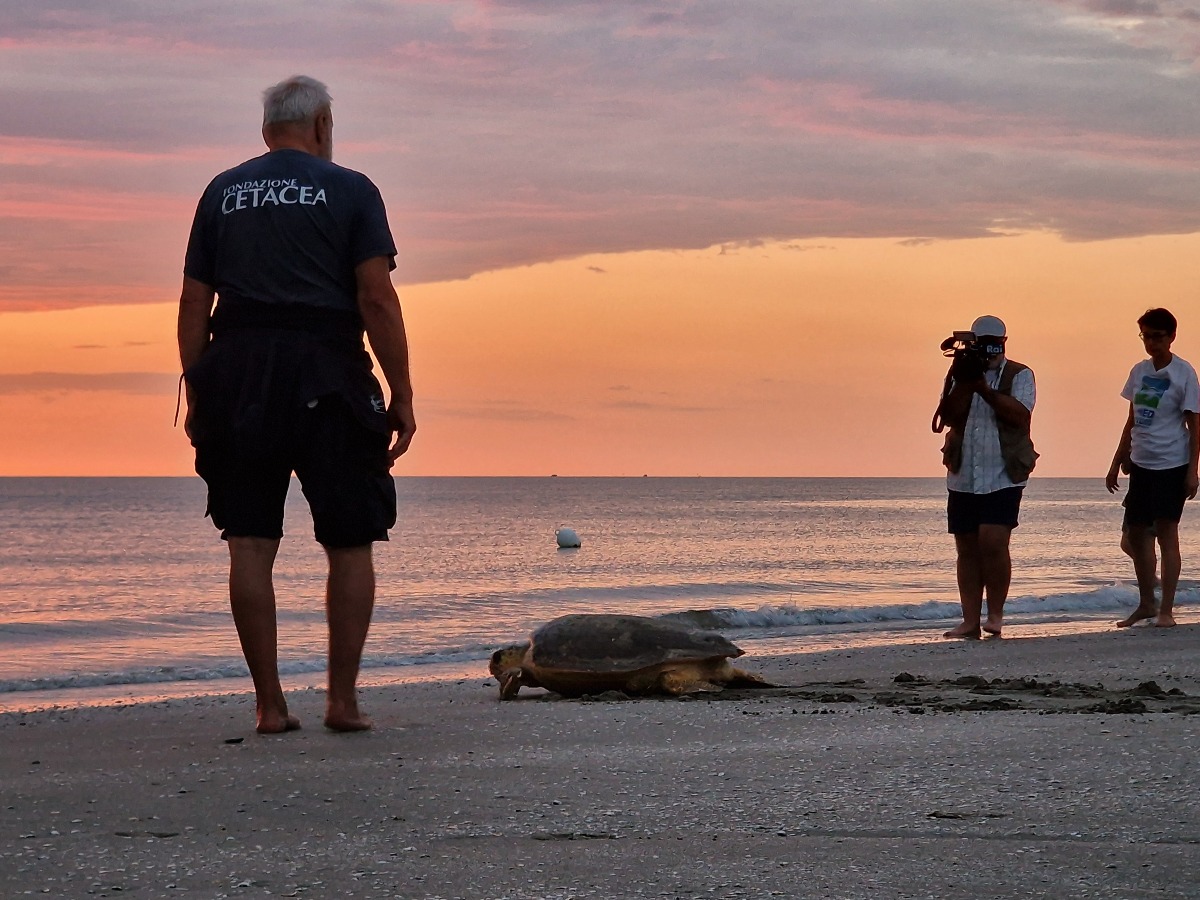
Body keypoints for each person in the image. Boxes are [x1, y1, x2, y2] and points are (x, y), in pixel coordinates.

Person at [178, 76, 415, 734]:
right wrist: (402, 392)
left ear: (266, 131)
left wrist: (199, 388)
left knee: (249, 543)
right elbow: (375, 298)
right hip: (328, 372)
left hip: (239, 373)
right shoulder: (353, 190)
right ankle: (341, 701)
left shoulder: (222, 192)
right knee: (350, 541)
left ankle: (270, 705)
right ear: (322, 125)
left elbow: (195, 302)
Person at [933, 315, 1037, 639]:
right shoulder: (960, 374)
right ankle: (969, 620)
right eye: (982, 343)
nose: (988, 350)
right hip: (964, 474)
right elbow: (947, 416)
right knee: (966, 547)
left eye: (994, 343)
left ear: (1003, 343)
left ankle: (995, 615)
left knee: (993, 542)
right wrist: (966, 381)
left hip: (1004, 473)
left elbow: (1021, 416)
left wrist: (984, 389)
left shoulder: (1020, 374)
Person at [1105, 308, 1199, 629]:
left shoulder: (1184, 373)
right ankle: (1146, 603)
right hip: (1142, 464)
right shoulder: (1139, 371)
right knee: (1135, 536)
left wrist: (1192, 470)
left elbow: (1194, 425)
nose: (1151, 342)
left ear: (1171, 336)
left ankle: (1166, 611)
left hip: (1172, 463)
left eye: (1157, 336)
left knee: (1166, 535)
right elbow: (1132, 419)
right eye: (1145, 335)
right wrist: (1118, 459)